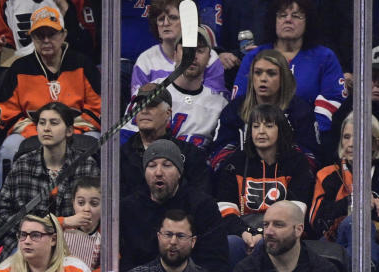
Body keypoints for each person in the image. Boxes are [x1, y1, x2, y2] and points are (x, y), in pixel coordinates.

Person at [0, 4, 101, 188]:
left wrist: (66, 132)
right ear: (32, 38)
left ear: (63, 34)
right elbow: (6, 114)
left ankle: (99, 211)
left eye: (51, 34)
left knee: (99, 142)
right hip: (33, 132)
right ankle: (6, 213)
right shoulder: (19, 68)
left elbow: (97, 107)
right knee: (9, 148)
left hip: (76, 131)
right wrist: (40, 132)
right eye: (39, 35)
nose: (45, 40)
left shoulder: (83, 64)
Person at [0, 101, 99, 261]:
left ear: (69, 131)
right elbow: (2, 215)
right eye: (42, 123)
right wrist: (58, 224)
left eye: (54, 123)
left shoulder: (86, 165)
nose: (46, 128)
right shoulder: (23, 165)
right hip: (26, 244)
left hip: (72, 244)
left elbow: (95, 216)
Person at [216, 104, 315, 265]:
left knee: (266, 243)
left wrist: (263, 233)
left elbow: (296, 210)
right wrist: (245, 232)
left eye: (268, 126)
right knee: (231, 243)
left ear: (281, 130)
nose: (261, 131)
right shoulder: (234, 162)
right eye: (255, 126)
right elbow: (225, 208)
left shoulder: (296, 163)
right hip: (243, 229)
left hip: (282, 231)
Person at [119, 139, 229, 272]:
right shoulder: (128, 208)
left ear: (179, 172)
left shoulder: (202, 206)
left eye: (167, 165)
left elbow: (215, 261)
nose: (158, 172)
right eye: (152, 166)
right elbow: (125, 262)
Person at [231, 0, 344, 136]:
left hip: (308, 138)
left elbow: (334, 99)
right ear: (274, 20)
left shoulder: (325, 57)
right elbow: (240, 102)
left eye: (296, 16)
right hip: (259, 136)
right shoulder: (254, 57)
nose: (288, 20)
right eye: (282, 15)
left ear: (308, 21)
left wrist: (312, 133)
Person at [122, 27, 228, 149]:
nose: (192, 55)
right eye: (187, 49)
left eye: (199, 50)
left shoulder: (219, 105)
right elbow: (126, 138)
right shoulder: (149, 92)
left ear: (209, 57)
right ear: (175, 53)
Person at [213, 48, 320, 168]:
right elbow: (219, 155)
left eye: (271, 73)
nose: (263, 78)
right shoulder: (235, 109)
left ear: (283, 78)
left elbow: (311, 159)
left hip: (287, 179)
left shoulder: (300, 110)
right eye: (258, 72)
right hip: (242, 178)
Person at [120, 83, 213, 199]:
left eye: (151, 105)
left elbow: (201, 199)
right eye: (140, 105)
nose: (144, 110)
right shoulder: (119, 156)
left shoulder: (191, 155)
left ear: (168, 113)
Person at [130, 0, 227, 99]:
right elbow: (138, 106)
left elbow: (214, 102)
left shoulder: (210, 58)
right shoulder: (146, 60)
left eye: (173, 18)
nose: (166, 23)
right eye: (160, 19)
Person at [308, 112, 379, 241]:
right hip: (337, 242)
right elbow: (316, 221)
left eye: (358, 136)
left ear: (375, 143)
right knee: (354, 223)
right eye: (346, 137)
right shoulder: (328, 174)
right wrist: (352, 200)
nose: (351, 143)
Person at [62, 175, 102, 272]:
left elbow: (109, 267)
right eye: (81, 203)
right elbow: (42, 226)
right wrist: (65, 221)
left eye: (94, 204)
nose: (86, 209)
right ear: (73, 204)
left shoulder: (106, 235)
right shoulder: (62, 228)